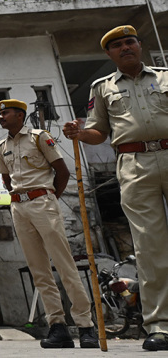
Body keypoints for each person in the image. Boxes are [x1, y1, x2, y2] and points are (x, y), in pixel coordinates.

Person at [63, 25, 168, 352]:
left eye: (130, 42)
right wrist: (79, 134)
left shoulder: (165, 77)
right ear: (109, 54)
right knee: (149, 246)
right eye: (117, 45)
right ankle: (160, 325)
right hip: (134, 164)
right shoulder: (103, 88)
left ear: (139, 45)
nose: (125, 48)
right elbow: (99, 132)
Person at [0, 99, 98, 349]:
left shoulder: (39, 137)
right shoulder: (1, 146)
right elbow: (7, 179)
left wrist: (50, 197)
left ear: (20, 115)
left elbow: (61, 172)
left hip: (43, 202)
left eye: (5, 113)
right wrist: (21, 198)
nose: (0, 117)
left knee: (64, 264)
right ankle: (57, 326)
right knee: (38, 270)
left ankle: (85, 326)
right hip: (19, 207)